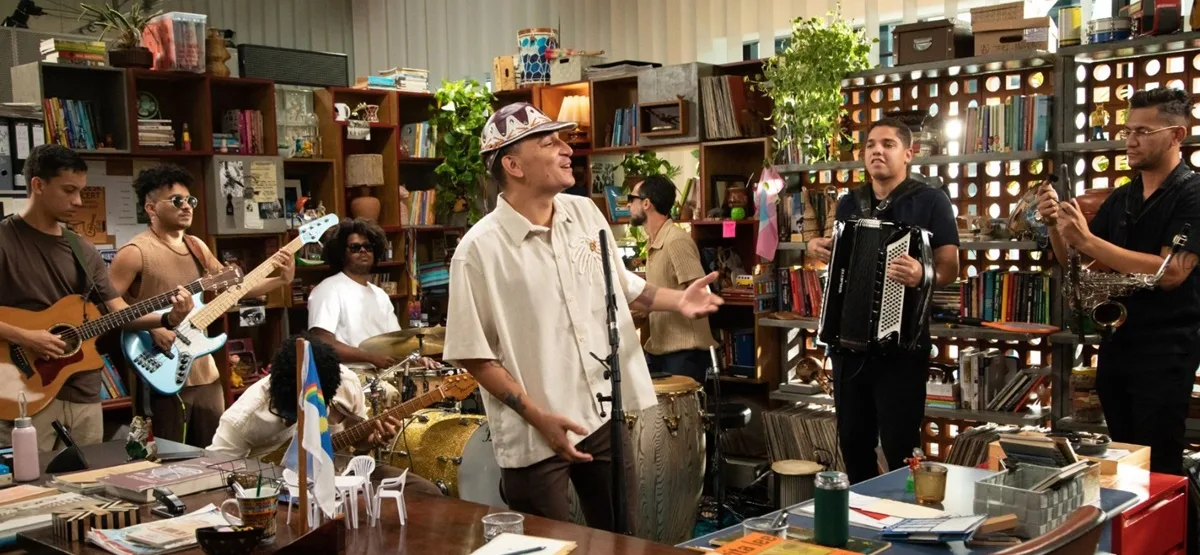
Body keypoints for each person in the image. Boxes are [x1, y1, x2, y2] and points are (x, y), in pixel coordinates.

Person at [442, 102, 723, 531]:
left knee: (620, 539)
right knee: (546, 546)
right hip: (533, 434)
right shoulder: (478, 251)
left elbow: (622, 284)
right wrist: (540, 419)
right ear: (513, 164)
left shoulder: (586, 214)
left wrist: (678, 301)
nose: (566, 149)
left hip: (600, 416)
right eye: (549, 142)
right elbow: (474, 355)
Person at [1038, 87, 1200, 476]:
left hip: (1167, 348)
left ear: (1177, 135)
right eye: (1128, 131)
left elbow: (1171, 272)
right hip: (1117, 343)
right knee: (1124, 457)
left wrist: (1088, 238)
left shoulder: (1193, 192)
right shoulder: (1121, 198)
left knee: (1158, 461)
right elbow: (1083, 267)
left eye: (1143, 131)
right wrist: (1057, 228)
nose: (1130, 140)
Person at [0, 145, 193, 450]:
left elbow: (117, 309)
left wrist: (168, 318)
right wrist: (26, 337)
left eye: (81, 191)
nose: (78, 201)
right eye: (68, 190)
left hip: (84, 393)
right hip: (22, 389)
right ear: (38, 185)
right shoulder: (4, 241)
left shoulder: (81, 249)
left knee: (88, 485)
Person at [807, 118, 960, 485]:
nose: (877, 150)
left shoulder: (930, 201)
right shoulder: (849, 204)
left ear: (909, 153)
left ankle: (906, 524)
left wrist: (923, 275)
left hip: (902, 351)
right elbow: (840, 263)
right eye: (871, 144)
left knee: (900, 446)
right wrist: (814, 248)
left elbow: (950, 267)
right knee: (853, 444)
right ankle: (863, 527)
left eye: (888, 144)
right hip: (849, 347)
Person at [107, 163, 295, 447]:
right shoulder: (134, 253)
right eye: (177, 201)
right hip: (159, 370)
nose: (187, 206)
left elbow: (235, 289)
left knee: (214, 453)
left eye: (190, 200)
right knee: (166, 455)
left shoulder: (197, 246)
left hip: (204, 369)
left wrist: (280, 280)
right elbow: (108, 310)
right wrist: (155, 327)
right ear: (151, 208)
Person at [208, 333, 442, 496]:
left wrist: (373, 440)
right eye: (292, 414)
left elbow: (358, 442)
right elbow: (214, 476)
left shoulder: (345, 382)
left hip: (341, 475)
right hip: (279, 495)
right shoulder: (242, 418)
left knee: (425, 492)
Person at [628, 174, 717, 383]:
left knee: (683, 416)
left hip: (684, 353)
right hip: (660, 350)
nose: (628, 205)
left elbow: (702, 296)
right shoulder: (654, 243)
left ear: (647, 203)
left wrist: (652, 305)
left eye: (631, 199)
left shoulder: (676, 241)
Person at [307, 218, 405, 370]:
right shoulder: (328, 289)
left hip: (384, 374)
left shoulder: (380, 295)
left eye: (368, 246)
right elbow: (321, 342)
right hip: (350, 376)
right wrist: (370, 357)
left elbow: (396, 342)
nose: (363, 251)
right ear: (341, 253)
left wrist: (417, 359)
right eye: (355, 247)